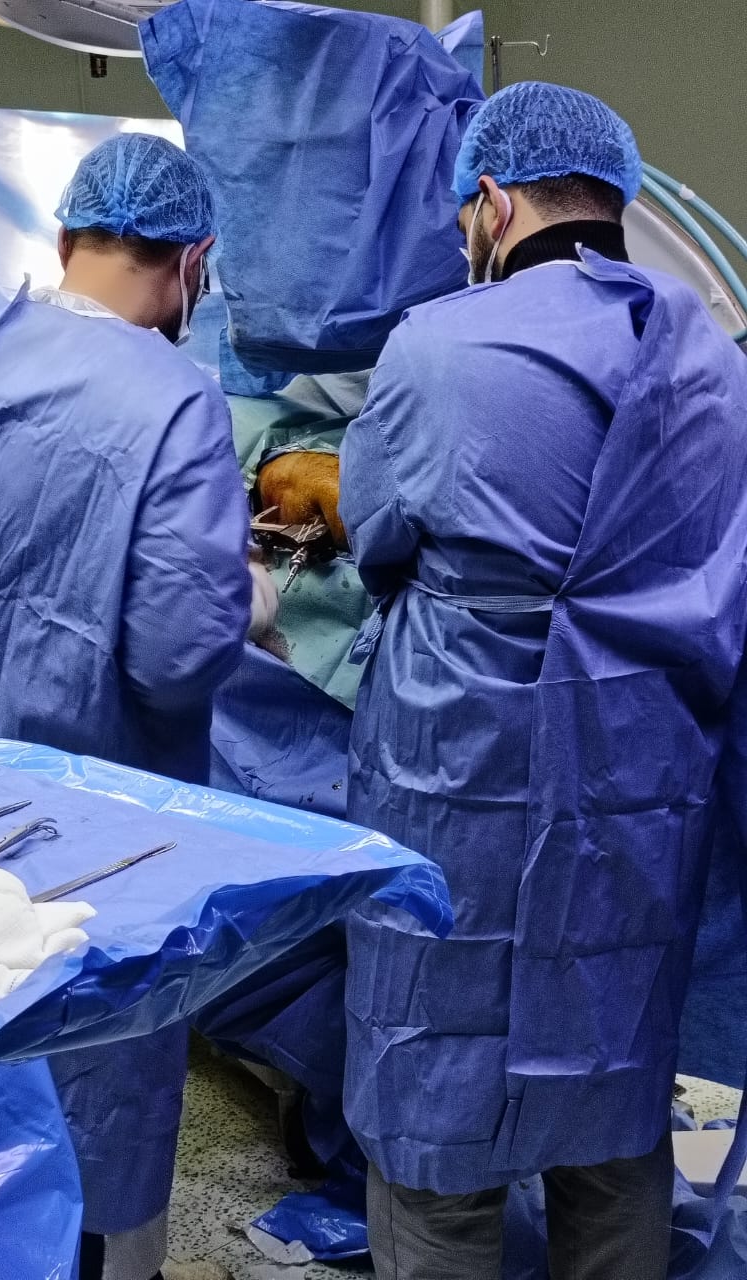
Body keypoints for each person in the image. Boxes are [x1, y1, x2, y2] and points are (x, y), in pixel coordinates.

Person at [338, 81, 747, 1280]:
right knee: (612, 1107)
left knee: (434, 1098)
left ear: (495, 200)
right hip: (636, 773)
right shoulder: (712, 361)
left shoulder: (437, 343)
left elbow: (378, 537)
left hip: (457, 766)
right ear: (617, 196)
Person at [0, 134, 252, 1280]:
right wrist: (251, 596)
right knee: (87, 1103)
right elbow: (178, 657)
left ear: (62, 237)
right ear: (194, 261)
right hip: (97, 837)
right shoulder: (177, 399)